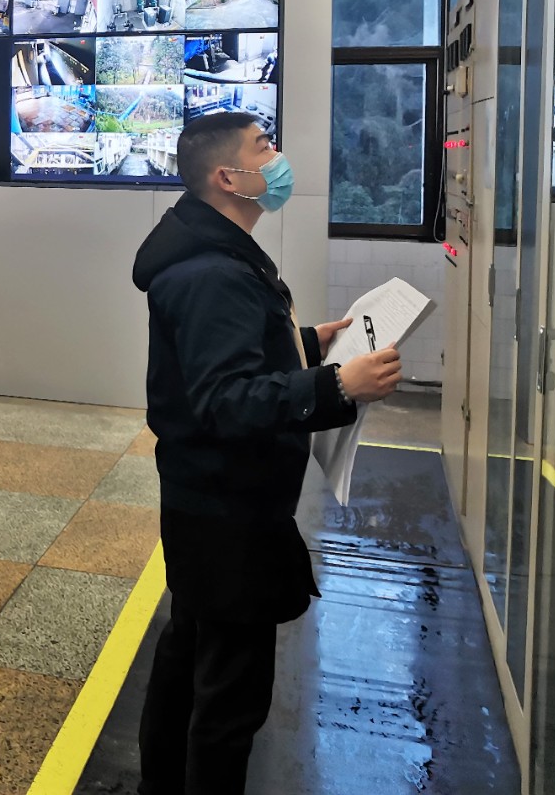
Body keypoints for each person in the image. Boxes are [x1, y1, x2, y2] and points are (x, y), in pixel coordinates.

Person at [130, 113, 401, 795]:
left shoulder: (216, 253)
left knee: (190, 656)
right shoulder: (212, 272)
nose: (277, 157)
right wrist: (338, 385)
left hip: (208, 502)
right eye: (264, 146)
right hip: (228, 513)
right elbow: (225, 399)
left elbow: (223, 360)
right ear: (229, 177)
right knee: (228, 700)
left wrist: (304, 343)